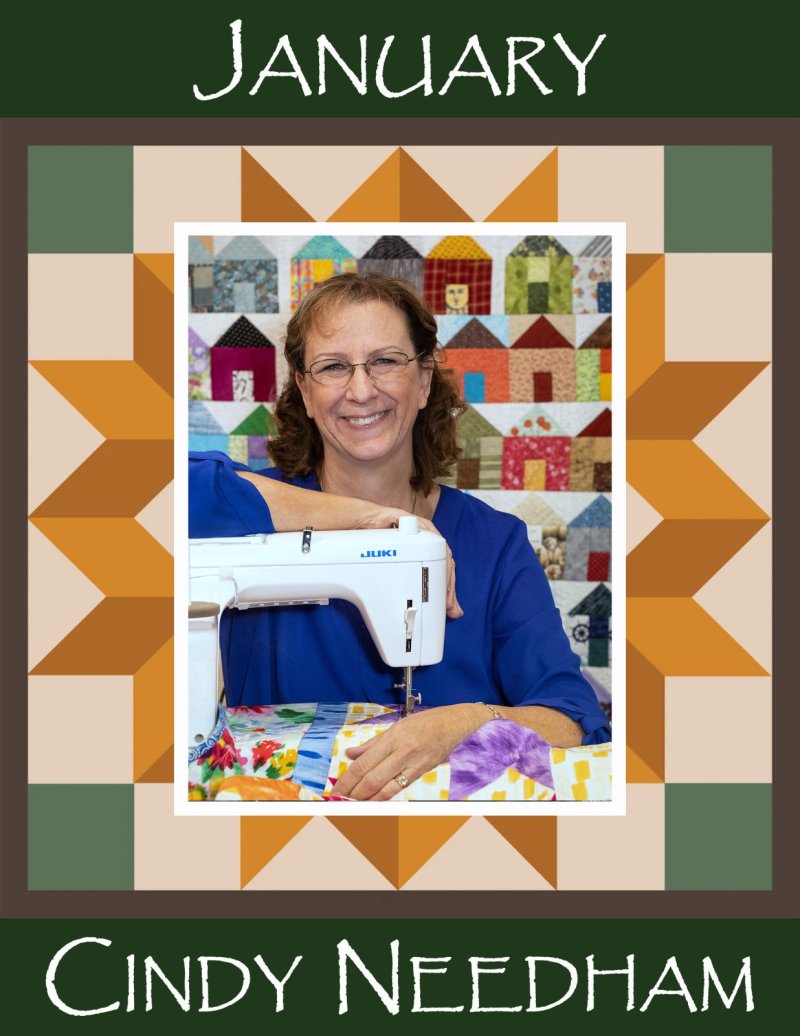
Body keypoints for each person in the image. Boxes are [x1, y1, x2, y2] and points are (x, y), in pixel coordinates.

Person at [190, 272, 610, 800]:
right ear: (305, 390)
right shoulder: (251, 517)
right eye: (333, 366)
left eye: (385, 360)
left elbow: (574, 720)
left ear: (425, 380)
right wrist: (366, 518)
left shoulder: (496, 544)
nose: (361, 390)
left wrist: (467, 721)